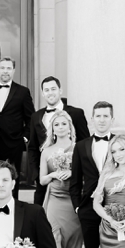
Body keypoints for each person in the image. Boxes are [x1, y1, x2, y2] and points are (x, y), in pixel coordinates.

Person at [38, 110, 83, 248]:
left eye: (64, 124)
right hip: (55, 199)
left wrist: (71, 172)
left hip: (73, 200)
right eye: (57, 125)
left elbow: (85, 175)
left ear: (70, 127)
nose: (61, 127)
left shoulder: (79, 148)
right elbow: (41, 180)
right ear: (52, 129)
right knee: (54, 241)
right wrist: (54, 175)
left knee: (72, 247)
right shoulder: (46, 151)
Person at [26, 76, 90, 205]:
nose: (50, 93)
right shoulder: (36, 116)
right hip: (45, 178)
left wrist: (76, 172)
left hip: (71, 179)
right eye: (47, 90)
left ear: (60, 91)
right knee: (40, 212)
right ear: (43, 93)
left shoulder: (76, 113)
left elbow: (85, 146)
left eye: (53, 89)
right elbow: (32, 147)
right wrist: (36, 175)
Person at [69, 102, 114, 248]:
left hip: (115, 206)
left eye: (105, 116)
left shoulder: (120, 143)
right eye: (98, 116)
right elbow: (75, 181)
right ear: (92, 119)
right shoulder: (81, 146)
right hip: (88, 208)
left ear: (112, 119)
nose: (101, 120)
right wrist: (77, 208)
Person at [0, 56, 35, 171]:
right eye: (2, 68)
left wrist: (25, 138)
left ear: (13, 70)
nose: (5, 71)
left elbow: (31, 118)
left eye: (8, 68)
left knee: (14, 177)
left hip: (15, 142)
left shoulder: (23, 91)